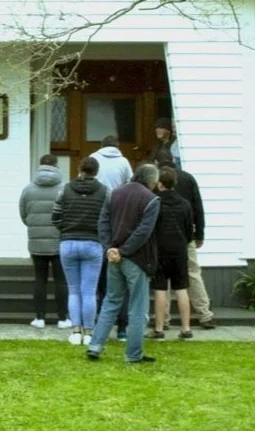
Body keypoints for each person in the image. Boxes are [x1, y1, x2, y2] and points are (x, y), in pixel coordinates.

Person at [86, 164, 161, 364]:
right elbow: (143, 231)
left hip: (114, 256)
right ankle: (133, 354)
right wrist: (123, 251)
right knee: (137, 307)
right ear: (152, 181)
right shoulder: (151, 199)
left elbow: (102, 222)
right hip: (136, 258)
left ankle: (95, 345)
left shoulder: (114, 193)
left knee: (111, 301)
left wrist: (110, 248)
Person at [154, 149, 215, 329]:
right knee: (192, 274)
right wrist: (199, 234)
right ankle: (204, 314)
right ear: (173, 160)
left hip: (162, 240)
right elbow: (198, 207)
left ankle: (162, 321)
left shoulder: (156, 182)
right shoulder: (188, 178)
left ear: (157, 163)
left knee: (161, 282)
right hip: (185, 237)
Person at [53, 156, 108, 346]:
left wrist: (65, 230)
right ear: (96, 171)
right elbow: (108, 218)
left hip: (68, 243)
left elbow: (55, 216)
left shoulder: (66, 189)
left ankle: (75, 331)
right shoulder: (104, 191)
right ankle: (89, 333)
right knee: (89, 292)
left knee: (74, 290)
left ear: (80, 169)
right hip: (93, 243)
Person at [90, 136, 133, 340]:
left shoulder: (93, 158)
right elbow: (130, 184)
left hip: (98, 220)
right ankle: (123, 328)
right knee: (119, 281)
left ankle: (99, 324)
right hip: (120, 217)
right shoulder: (123, 161)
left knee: (100, 281)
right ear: (117, 146)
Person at [19, 154, 69, 329]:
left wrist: (34, 227)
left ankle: (39, 318)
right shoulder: (64, 188)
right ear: (56, 165)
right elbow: (68, 214)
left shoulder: (28, 189)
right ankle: (63, 318)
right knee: (60, 280)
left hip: (36, 241)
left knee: (40, 279)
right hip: (58, 240)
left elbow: (24, 214)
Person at [149, 166, 195, 340]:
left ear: (159, 184)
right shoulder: (184, 204)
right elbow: (189, 231)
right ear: (174, 183)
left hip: (160, 250)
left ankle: (159, 328)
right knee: (181, 288)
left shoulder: (154, 202)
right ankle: (186, 328)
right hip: (179, 249)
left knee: (160, 289)